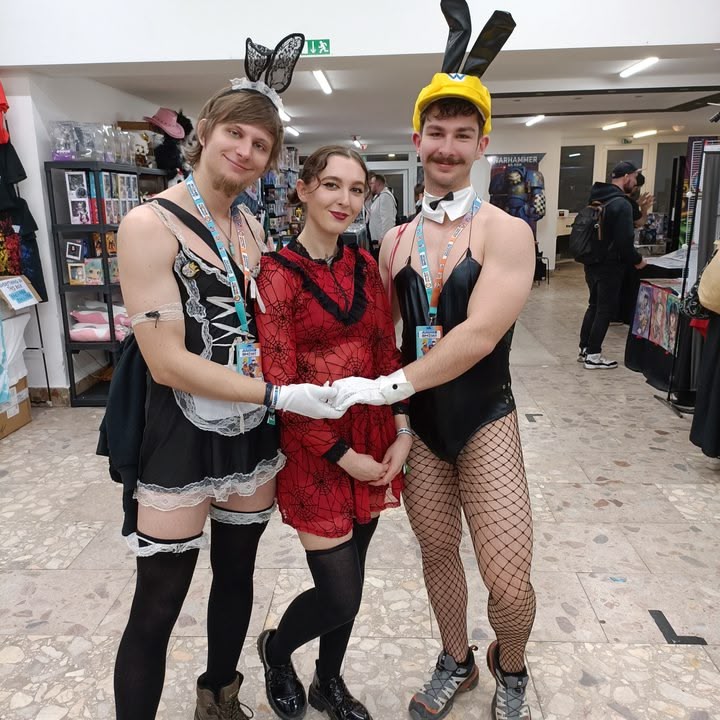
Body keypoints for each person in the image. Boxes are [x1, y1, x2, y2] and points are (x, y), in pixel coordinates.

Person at [113, 33, 344, 720]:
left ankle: (219, 696)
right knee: (158, 599)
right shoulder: (148, 224)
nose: (245, 151)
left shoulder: (248, 225)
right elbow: (165, 360)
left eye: (261, 144)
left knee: (237, 573)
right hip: (179, 430)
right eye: (235, 134)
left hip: (248, 428)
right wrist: (278, 392)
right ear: (207, 131)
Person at [331, 6, 537, 719]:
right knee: (437, 552)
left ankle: (511, 664)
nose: (447, 147)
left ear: (482, 143)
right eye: (436, 133)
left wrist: (390, 383)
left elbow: (478, 336)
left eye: (462, 135)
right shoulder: (395, 241)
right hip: (418, 427)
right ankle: (457, 659)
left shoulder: (507, 232)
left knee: (509, 582)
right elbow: (384, 333)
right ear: (416, 138)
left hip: (486, 418)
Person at [254, 145, 412, 720]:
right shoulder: (275, 274)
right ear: (303, 190)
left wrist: (402, 429)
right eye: (331, 185)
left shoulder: (366, 266)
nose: (345, 199)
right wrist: (345, 456)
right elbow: (280, 383)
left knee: (355, 578)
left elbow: (386, 352)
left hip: (373, 433)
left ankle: (329, 681)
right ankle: (277, 651)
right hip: (314, 447)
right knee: (339, 591)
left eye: (356, 189)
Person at [576, 160, 648, 368]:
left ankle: (584, 349)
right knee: (604, 309)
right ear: (626, 177)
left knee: (594, 305)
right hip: (610, 264)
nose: (635, 182)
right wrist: (637, 260)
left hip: (592, 260)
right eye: (634, 178)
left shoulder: (597, 197)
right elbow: (625, 240)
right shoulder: (621, 204)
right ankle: (593, 355)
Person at [368, 173, 397, 252]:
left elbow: (388, 220)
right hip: (376, 242)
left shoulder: (385, 197)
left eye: (372, 183)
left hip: (382, 243)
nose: (370, 186)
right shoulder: (378, 197)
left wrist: (384, 238)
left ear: (378, 184)